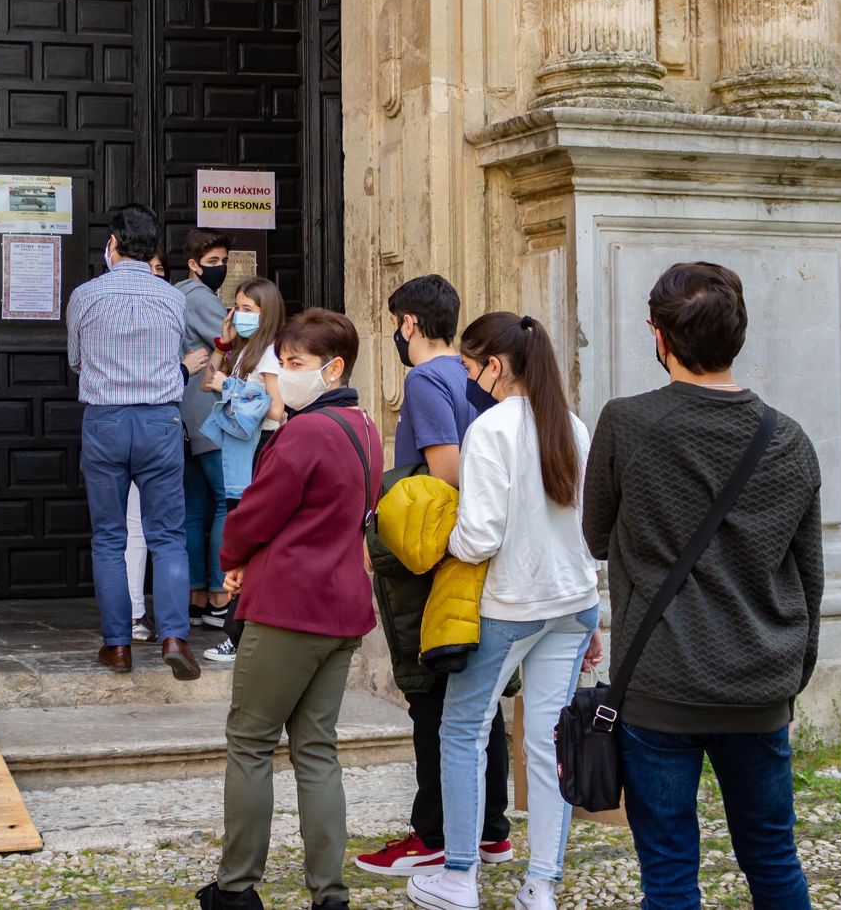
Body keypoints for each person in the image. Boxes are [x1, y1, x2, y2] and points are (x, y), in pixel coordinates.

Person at [583, 262, 823, 910]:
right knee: (773, 858)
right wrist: (791, 673)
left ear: (657, 335)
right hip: (759, 686)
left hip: (659, 687)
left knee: (668, 876)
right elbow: (810, 575)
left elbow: (596, 536)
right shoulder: (790, 440)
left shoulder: (625, 423)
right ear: (738, 334)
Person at [409, 312, 601, 910]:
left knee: (463, 730)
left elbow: (481, 535)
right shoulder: (570, 424)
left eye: (470, 366)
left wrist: (441, 543)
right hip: (573, 603)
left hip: (511, 601)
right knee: (547, 743)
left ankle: (460, 875)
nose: (467, 377)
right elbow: (587, 526)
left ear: (495, 366)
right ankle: (541, 885)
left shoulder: (491, 429)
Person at [196, 309, 382, 910]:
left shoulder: (305, 432)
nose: (286, 375)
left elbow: (255, 512)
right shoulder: (365, 426)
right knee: (317, 750)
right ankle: (329, 893)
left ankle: (237, 887)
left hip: (290, 607)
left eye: (296, 365)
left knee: (250, 741)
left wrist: (234, 557)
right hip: (343, 606)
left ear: (334, 368)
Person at [355, 275, 513, 877]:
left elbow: (446, 467)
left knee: (430, 692)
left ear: (410, 323)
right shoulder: (475, 376)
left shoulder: (424, 378)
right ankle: (491, 827)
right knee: (475, 694)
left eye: (398, 323)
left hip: (433, 549)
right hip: (475, 550)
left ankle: (435, 833)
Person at [67, 204, 199, 680]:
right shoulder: (172, 298)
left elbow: (77, 361)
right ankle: (174, 636)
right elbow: (176, 353)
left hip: (105, 421)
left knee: (109, 538)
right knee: (168, 537)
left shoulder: (85, 295)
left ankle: (118, 645)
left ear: (114, 243)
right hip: (160, 421)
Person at [198, 277, 287, 664]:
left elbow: (276, 409)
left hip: (258, 454)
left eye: (249, 309)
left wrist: (230, 387)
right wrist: (223, 341)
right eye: (237, 307)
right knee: (242, 541)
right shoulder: (246, 350)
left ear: (267, 312)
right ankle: (240, 634)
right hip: (239, 455)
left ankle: (237, 635)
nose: (240, 315)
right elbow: (206, 383)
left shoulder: (270, 353)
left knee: (246, 544)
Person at [176, 228, 235, 631]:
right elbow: (235, 339)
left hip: (186, 410)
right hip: (210, 409)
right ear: (194, 265)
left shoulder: (178, 293)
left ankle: (195, 596)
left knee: (194, 507)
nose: (220, 268)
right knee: (223, 502)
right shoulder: (199, 298)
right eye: (212, 262)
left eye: (223, 261)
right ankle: (218, 596)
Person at [124, 250, 185, 641]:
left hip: (131, 423)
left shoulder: (171, 308)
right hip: (158, 422)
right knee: (153, 531)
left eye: (160, 270)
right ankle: (167, 630)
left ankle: (130, 628)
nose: (152, 276)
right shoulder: (172, 306)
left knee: (139, 530)